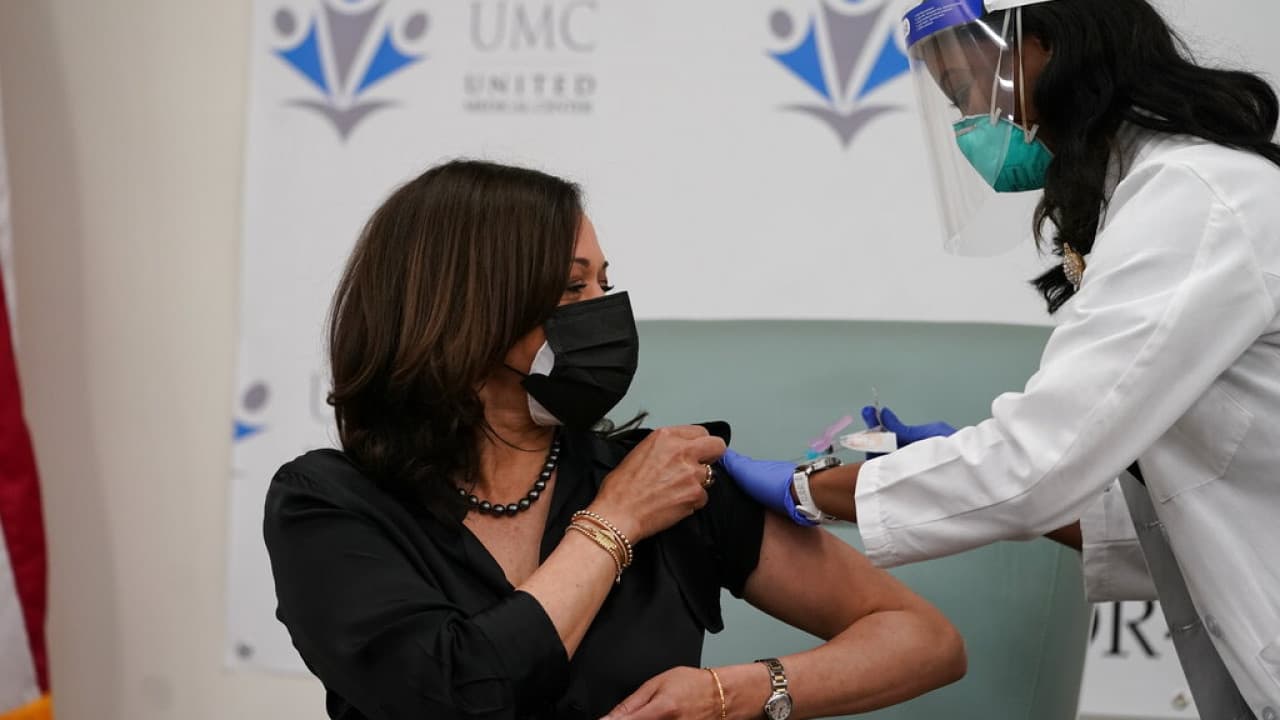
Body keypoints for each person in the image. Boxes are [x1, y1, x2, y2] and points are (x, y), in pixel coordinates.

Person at [723, 0, 1280, 716]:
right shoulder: (1168, 196)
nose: (970, 124)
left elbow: (1035, 466)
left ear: (1044, 45)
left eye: (965, 90)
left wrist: (809, 488)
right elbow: (1176, 513)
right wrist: (955, 464)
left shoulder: (1194, 200)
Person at [262, 160, 965, 720]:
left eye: (605, 284)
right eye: (574, 290)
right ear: (467, 310)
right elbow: (456, 695)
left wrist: (731, 694)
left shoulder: (664, 480)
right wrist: (613, 522)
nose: (606, 313)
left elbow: (924, 640)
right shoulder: (329, 504)